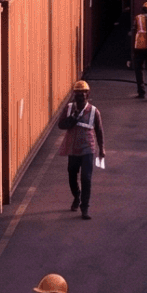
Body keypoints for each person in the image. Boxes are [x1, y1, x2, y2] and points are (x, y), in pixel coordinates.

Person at [58, 80, 105, 218]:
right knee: (72, 175)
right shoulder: (69, 108)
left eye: (83, 93)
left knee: (86, 178)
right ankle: (77, 196)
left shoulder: (94, 112)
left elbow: (99, 131)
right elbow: (61, 125)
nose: (80, 96)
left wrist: (102, 148)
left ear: (88, 94)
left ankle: (85, 207)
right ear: (74, 95)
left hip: (87, 149)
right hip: (72, 149)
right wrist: (74, 116)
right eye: (77, 94)